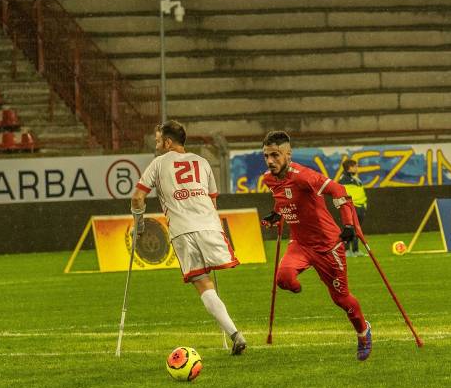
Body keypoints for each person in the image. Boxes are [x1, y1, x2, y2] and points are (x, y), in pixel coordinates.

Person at [131, 120, 247, 354]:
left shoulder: (158, 163)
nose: (156, 145)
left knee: (202, 282)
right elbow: (213, 200)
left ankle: (235, 334)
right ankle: (234, 335)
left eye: (157, 141)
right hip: (210, 227)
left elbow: (137, 198)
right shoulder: (202, 162)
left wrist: (139, 225)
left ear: (168, 142)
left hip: (183, 230)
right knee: (210, 277)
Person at [261, 130, 373, 360]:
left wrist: (349, 225)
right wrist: (276, 214)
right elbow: (282, 196)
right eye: (266, 156)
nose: (270, 161)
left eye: (275, 155)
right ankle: (298, 287)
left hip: (327, 245)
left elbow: (339, 191)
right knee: (283, 278)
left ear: (288, 154)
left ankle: (363, 331)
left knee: (341, 299)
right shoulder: (269, 179)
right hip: (300, 244)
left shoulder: (304, 176)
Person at [338, 158, 368, 257]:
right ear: (349, 168)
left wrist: (364, 205)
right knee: (348, 228)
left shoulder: (356, 179)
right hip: (351, 207)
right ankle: (347, 250)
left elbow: (360, 194)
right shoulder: (343, 179)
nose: (357, 168)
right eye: (355, 166)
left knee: (357, 230)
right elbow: (343, 194)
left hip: (360, 207)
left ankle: (356, 250)